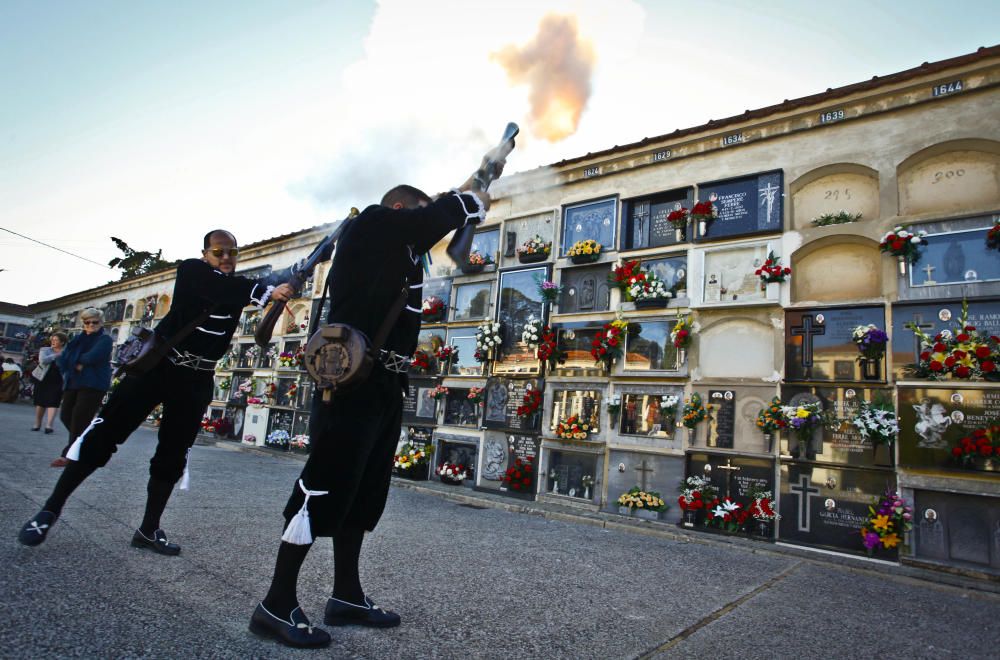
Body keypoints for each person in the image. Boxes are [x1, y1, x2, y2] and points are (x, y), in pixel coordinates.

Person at [249, 180, 493, 649]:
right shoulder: (374, 223)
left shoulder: (401, 252)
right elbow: (429, 220)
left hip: (383, 382)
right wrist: (469, 199)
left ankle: (346, 596)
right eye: (418, 212)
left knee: (363, 489)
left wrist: (468, 195)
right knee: (325, 483)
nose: (426, 224)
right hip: (351, 379)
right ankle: (274, 604)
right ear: (399, 208)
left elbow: (436, 234)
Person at [18, 230, 293, 557]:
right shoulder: (193, 271)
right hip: (159, 366)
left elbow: (260, 285)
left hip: (197, 378)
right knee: (106, 433)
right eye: (218, 252)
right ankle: (49, 511)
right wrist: (264, 291)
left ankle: (149, 528)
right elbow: (220, 287)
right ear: (205, 253)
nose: (226, 258)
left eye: (232, 252)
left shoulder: (243, 285)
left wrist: (293, 278)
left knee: (173, 454)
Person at [49, 310, 113, 467]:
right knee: (65, 415)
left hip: (93, 384)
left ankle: (68, 456)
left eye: (94, 322)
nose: (91, 325)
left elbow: (92, 357)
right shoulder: (77, 339)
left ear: (101, 322)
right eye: (87, 322)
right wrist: (76, 363)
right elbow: (62, 359)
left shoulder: (105, 339)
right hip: (73, 381)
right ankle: (91, 442)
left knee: (79, 418)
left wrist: (75, 360)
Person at [32, 332, 68, 434]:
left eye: (56, 340)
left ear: (62, 342)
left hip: (59, 379)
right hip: (43, 378)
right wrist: (57, 354)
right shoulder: (45, 350)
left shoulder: (67, 352)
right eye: (52, 340)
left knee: (54, 401)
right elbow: (43, 360)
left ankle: (49, 426)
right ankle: (37, 423)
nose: (53, 342)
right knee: (40, 401)